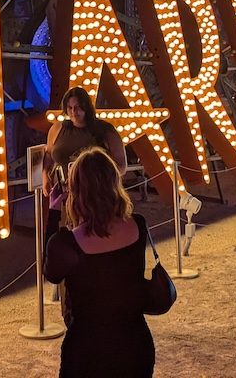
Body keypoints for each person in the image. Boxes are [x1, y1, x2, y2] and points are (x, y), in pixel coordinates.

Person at [44, 147, 155, 378]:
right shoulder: (138, 226)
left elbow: (50, 272)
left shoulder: (67, 244)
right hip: (134, 344)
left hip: (88, 353)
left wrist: (53, 213)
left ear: (77, 191)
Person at [43, 87, 126, 245]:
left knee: (94, 237)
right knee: (67, 240)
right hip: (65, 197)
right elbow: (48, 154)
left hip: (96, 198)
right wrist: (45, 177)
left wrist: (104, 183)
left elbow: (120, 165)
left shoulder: (104, 130)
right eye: (70, 108)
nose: (74, 112)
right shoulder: (57, 129)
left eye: (78, 107)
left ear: (86, 107)